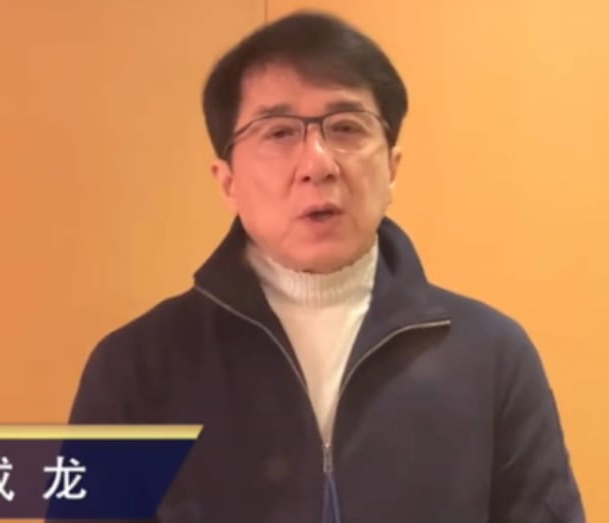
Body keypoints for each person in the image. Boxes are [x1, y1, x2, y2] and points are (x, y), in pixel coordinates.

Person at [68, 10, 585, 523]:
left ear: (392, 168)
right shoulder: (137, 368)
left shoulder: (492, 357)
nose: (317, 164)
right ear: (227, 181)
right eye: (278, 133)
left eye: (346, 127)